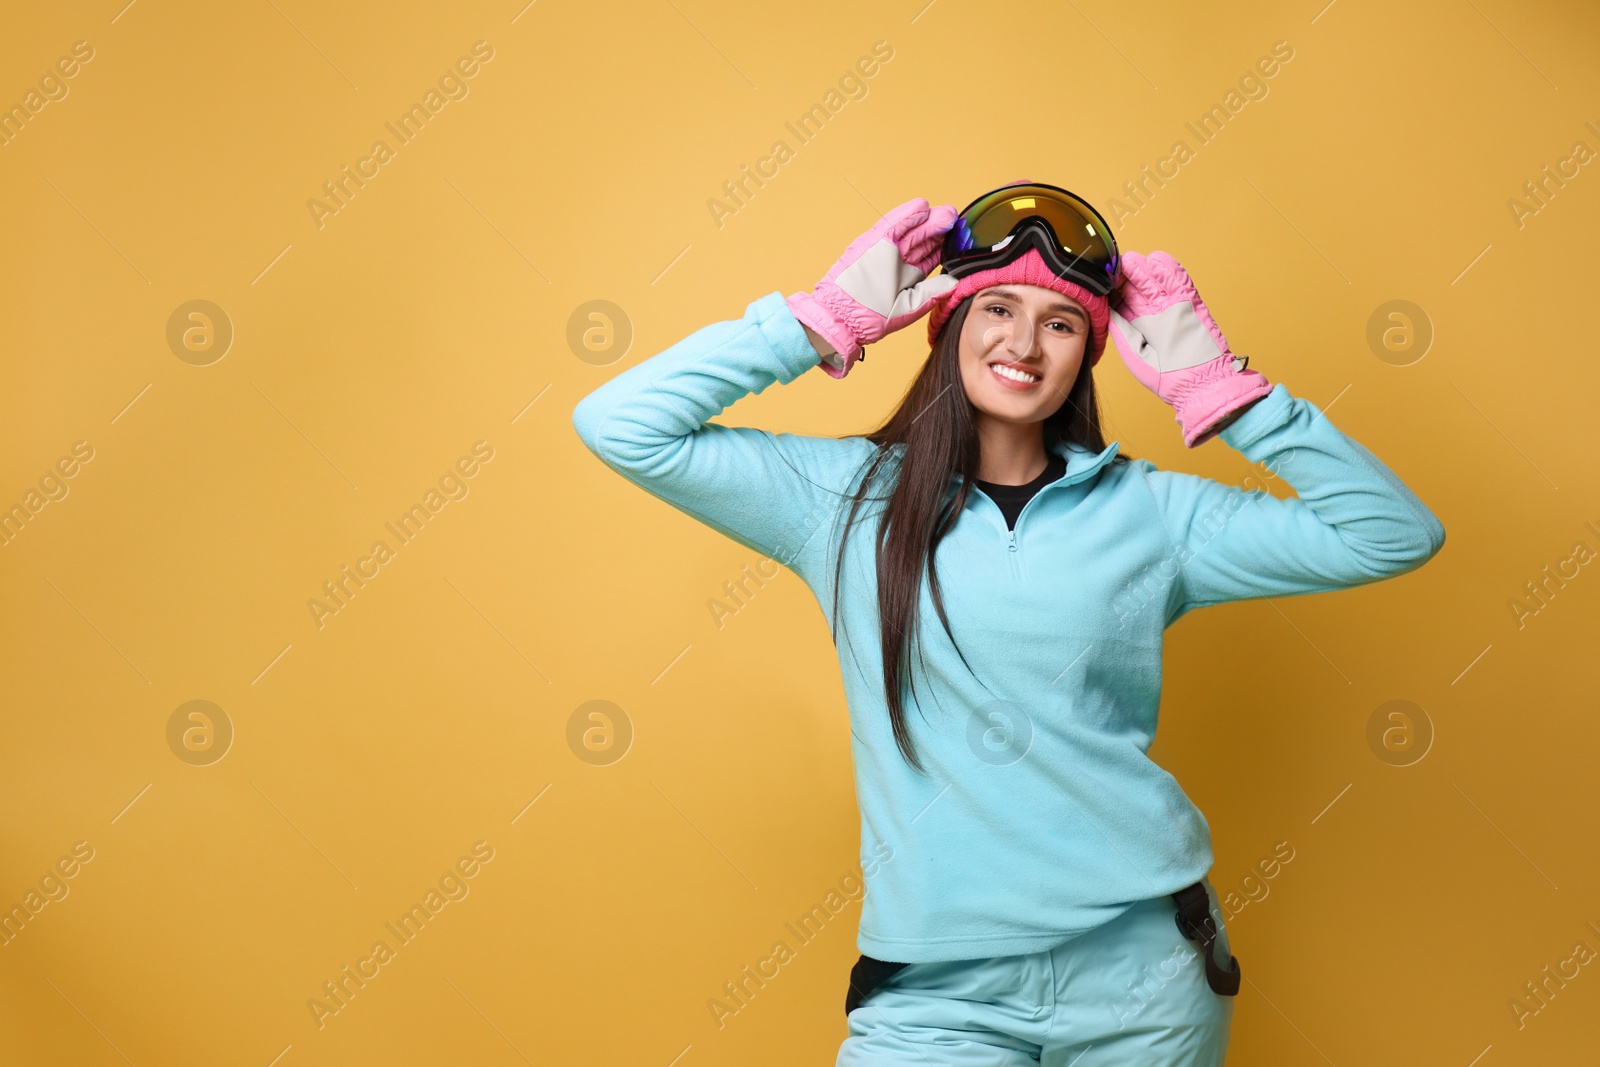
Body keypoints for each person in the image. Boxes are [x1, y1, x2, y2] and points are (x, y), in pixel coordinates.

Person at [571, 187, 1445, 1066]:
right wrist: (819, 322)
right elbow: (621, 424)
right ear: (948, 323)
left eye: (1061, 323)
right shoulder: (840, 501)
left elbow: (1392, 532)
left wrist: (1222, 390)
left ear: (1092, 352)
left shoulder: (1152, 514)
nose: (1023, 344)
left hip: (1145, 978)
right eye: (996, 307)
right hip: (935, 993)